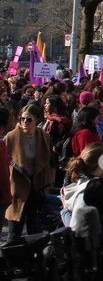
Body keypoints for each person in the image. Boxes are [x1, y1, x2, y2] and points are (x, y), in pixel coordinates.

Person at [5, 103, 53, 240]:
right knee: (14, 231)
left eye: (29, 119)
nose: (25, 122)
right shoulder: (11, 137)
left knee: (35, 229)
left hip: (37, 185)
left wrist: (48, 183)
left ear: (37, 120)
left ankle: (34, 259)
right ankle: (12, 258)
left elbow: (48, 162)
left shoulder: (44, 137)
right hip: (17, 187)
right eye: (22, 119)